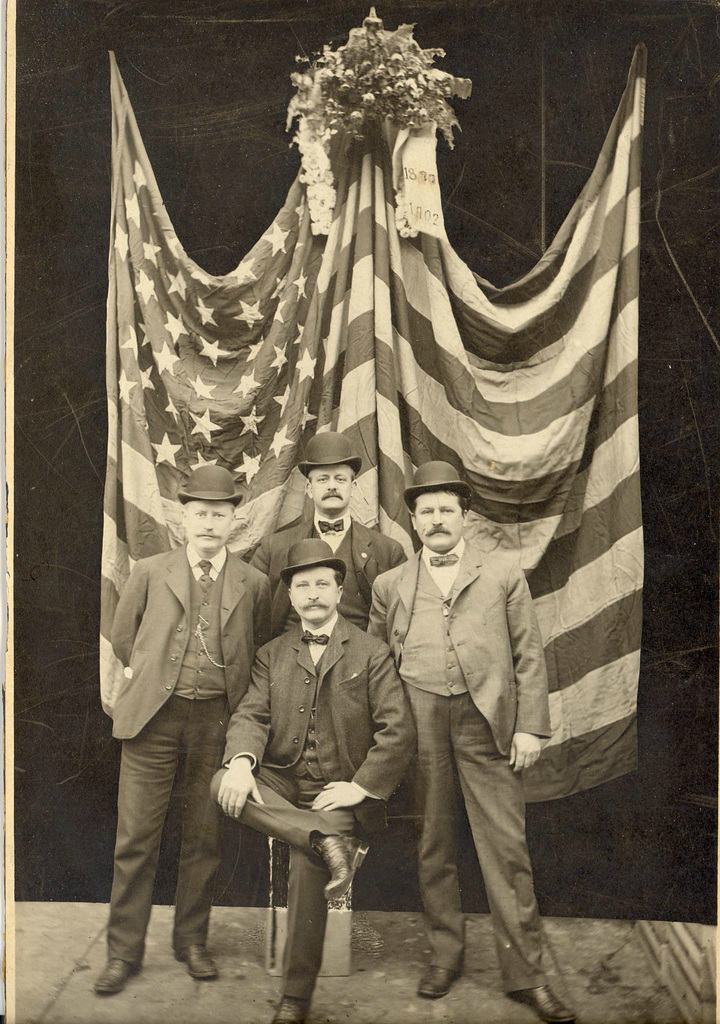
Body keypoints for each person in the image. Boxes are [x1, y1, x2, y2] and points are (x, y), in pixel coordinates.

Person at [369, 462, 574, 1024]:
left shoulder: (503, 572)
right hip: (421, 721)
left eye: (445, 510)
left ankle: (526, 974)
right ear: (412, 521)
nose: (436, 520)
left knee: (506, 850)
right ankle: (444, 957)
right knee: (433, 842)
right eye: (426, 511)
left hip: (489, 724)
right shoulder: (390, 585)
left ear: (465, 517)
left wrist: (530, 726)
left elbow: (529, 654)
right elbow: (378, 668)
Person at [211, 538, 416, 1024]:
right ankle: (323, 838)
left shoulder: (372, 651)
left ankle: (295, 997)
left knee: (307, 863)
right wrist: (241, 763)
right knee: (221, 779)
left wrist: (360, 787)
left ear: (339, 590)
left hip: (341, 789)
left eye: (323, 584)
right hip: (284, 783)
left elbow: (398, 729)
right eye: (302, 586)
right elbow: (251, 715)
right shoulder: (271, 654)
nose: (313, 594)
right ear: (292, 595)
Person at [95, 466, 271, 996]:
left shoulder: (254, 583)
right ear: (183, 517)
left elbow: (255, 650)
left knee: (205, 836)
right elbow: (126, 639)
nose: (210, 523)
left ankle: (191, 941)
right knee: (135, 840)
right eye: (200, 513)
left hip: (216, 722)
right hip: (153, 720)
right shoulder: (150, 571)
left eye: (220, 514)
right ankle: (124, 952)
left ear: (234, 519)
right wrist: (161, 683)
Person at [250, 431, 406, 636]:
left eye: (340, 479)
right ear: (309, 488)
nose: (332, 486)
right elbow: (252, 615)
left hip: (362, 662)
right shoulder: (273, 548)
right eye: (323, 479)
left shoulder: (388, 551)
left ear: (354, 486)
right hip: (291, 660)